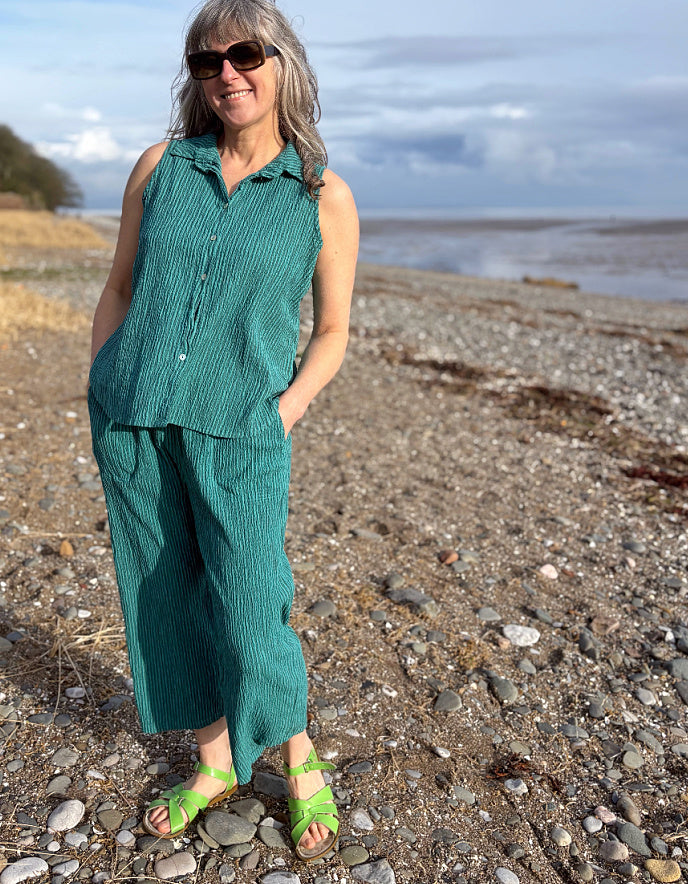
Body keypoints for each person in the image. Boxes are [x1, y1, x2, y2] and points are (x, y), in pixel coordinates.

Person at [86, 0, 358, 863]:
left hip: (243, 431)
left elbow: (334, 331)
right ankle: (212, 763)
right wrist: (102, 378)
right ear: (195, 78)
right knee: (162, 593)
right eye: (208, 62)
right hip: (134, 420)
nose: (228, 73)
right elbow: (120, 286)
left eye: (245, 55)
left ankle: (296, 754)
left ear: (284, 63)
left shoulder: (321, 194)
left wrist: (282, 411)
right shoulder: (161, 165)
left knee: (249, 601)